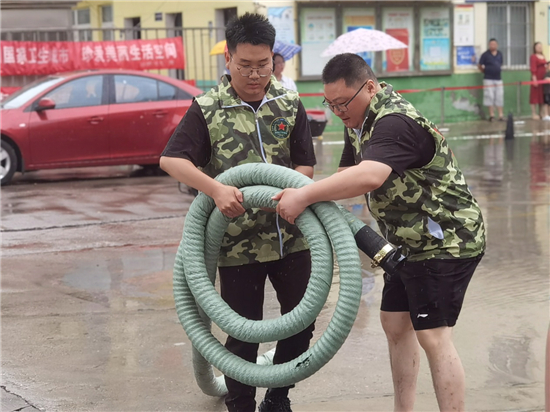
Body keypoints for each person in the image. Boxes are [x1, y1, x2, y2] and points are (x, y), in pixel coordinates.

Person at [273, 53, 486, 412]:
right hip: (406, 242)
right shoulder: (357, 120)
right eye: (331, 103)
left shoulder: (394, 121)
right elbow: (347, 176)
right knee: (395, 324)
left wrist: (305, 194)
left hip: (445, 239)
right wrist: (302, 194)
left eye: (343, 102)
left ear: (369, 87)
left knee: (433, 336)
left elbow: (369, 176)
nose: (338, 111)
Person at [160, 13, 316, 412]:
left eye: (262, 65)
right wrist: (214, 188)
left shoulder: (288, 103)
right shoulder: (208, 109)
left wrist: (292, 188)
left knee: (302, 324)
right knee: (243, 333)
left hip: (293, 236)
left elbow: (305, 164)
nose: (254, 74)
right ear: (228, 58)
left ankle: (278, 396)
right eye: (244, 65)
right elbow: (172, 161)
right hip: (237, 244)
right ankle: (241, 404)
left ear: (273, 58)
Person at [478, 38, 504, 121]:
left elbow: (501, 64)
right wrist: (485, 71)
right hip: (488, 78)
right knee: (490, 96)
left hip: (498, 78)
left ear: (497, 45)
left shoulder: (500, 54)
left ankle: (500, 115)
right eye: (491, 44)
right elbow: (480, 65)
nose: (493, 46)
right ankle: (492, 115)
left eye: (494, 44)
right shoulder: (485, 55)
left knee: (499, 96)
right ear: (489, 45)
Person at [530, 42, 550, 120]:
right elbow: (533, 68)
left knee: (542, 96)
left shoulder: (543, 56)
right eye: (538, 46)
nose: (539, 47)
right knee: (534, 96)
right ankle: (534, 113)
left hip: (543, 78)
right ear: (534, 47)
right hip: (536, 77)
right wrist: (534, 78)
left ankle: (541, 113)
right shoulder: (533, 57)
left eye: (540, 46)